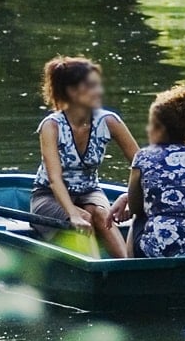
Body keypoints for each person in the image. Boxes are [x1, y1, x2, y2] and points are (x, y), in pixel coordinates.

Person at [31, 56, 139, 258]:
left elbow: (143, 165)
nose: (98, 91)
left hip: (90, 191)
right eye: (91, 86)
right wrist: (72, 212)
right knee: (84, 217)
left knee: (100, 214)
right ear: (72, 92)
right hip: (49, 196)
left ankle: (126, 267)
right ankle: (96, 271)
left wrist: (130, 197)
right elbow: (54, 179)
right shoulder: (51, 126)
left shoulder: (109, 121)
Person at [125, 82, 185, 258]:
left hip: (163, 245)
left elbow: (134, 207)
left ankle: (131, 272)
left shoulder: (143, 156)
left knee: (137, 218)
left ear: (161, 129)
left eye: (151, 124)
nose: (148, 129)